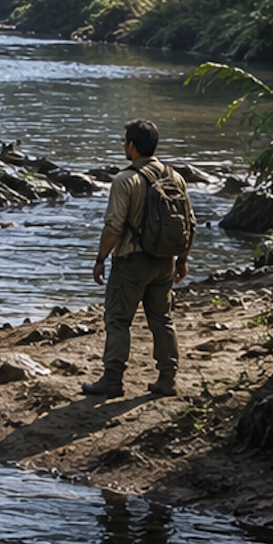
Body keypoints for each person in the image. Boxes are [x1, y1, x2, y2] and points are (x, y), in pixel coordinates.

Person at [83, 118, 192, 399]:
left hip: (131, 262)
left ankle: (112, 380)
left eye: (124, 143)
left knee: (118, 321)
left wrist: (100, 258)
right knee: (162, 319)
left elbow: (114, 226)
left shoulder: (124, 180)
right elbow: (188, 222)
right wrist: (182, 260)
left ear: (131, 146)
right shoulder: (175, 177)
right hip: (165, 261)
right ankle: (167, 379)